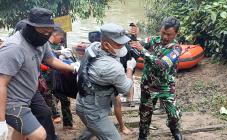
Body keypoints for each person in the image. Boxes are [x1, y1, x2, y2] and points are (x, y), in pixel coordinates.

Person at [0, 7, 79, 140]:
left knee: (44, 114)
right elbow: (1, 84)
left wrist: (73, 67)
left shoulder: (41, 41)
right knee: (39, 135)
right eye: (43, 32)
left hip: (30, 92)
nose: (46, 36)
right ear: (30, 28)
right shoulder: (14, 48)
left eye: (49, 32)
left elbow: (51, 60)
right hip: (12, 101)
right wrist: (1, 121)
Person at [76, 23, 136, 140]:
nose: (123, 46)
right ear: (106, 44)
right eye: (119, 44)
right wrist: (130, 68)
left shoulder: (93, 47)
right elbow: (125, 89)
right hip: (94, 112)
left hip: (83, 101)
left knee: (92, 129)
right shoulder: (113, 68)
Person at [130, 17, 183, 140]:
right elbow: (134, 47)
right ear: (160, 29)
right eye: (163, 32)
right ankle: (143, 134)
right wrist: (134, 37)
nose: (165, 37)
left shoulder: (176, 49)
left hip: (166, 87)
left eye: (169, 34)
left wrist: (143, 50)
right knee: (145, 114)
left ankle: (174, 128)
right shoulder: (152, 40)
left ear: (176, 33)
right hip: (148, 86)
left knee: (174, 114)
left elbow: (162, 65)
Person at [49, 27, 74, 129]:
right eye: (60, 37)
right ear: (55, 34)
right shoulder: (44, 44)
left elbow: (51, 53)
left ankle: (67, 124)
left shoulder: (53, 45)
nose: (61, 39)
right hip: (47, 79)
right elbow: (48, 55)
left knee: (63, 98)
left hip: (55, 77)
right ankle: (56, 119)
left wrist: (60, 53)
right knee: (53, 99)